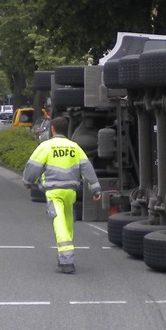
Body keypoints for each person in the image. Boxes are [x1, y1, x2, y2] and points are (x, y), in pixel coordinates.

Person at [22, 116, 102, 274]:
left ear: (52, 129)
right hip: (70, 192)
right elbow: (87, 169)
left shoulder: (46, 146)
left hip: (54, 192)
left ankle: (67, 261)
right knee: (68, 223)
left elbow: (33, 167)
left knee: (59, 224)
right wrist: (95, 189)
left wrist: (27, 181)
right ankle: (65, 256)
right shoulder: (75, 147)